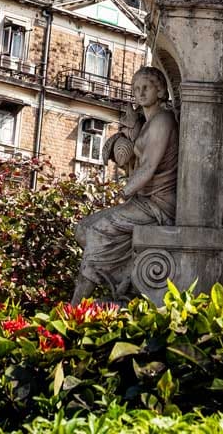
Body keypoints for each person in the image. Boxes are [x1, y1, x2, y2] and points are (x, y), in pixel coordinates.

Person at [69, 66, 176, 303]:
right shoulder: (149, 123)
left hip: (157, 204)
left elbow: (148, 167)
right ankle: (122, 276)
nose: (140, 93)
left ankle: (76, 306)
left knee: (98, 232)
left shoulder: (163, 121)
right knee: (83, 228)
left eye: (146, 87)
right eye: (136, 88)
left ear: (160, 91)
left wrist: (124, 191)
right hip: (143, 200)